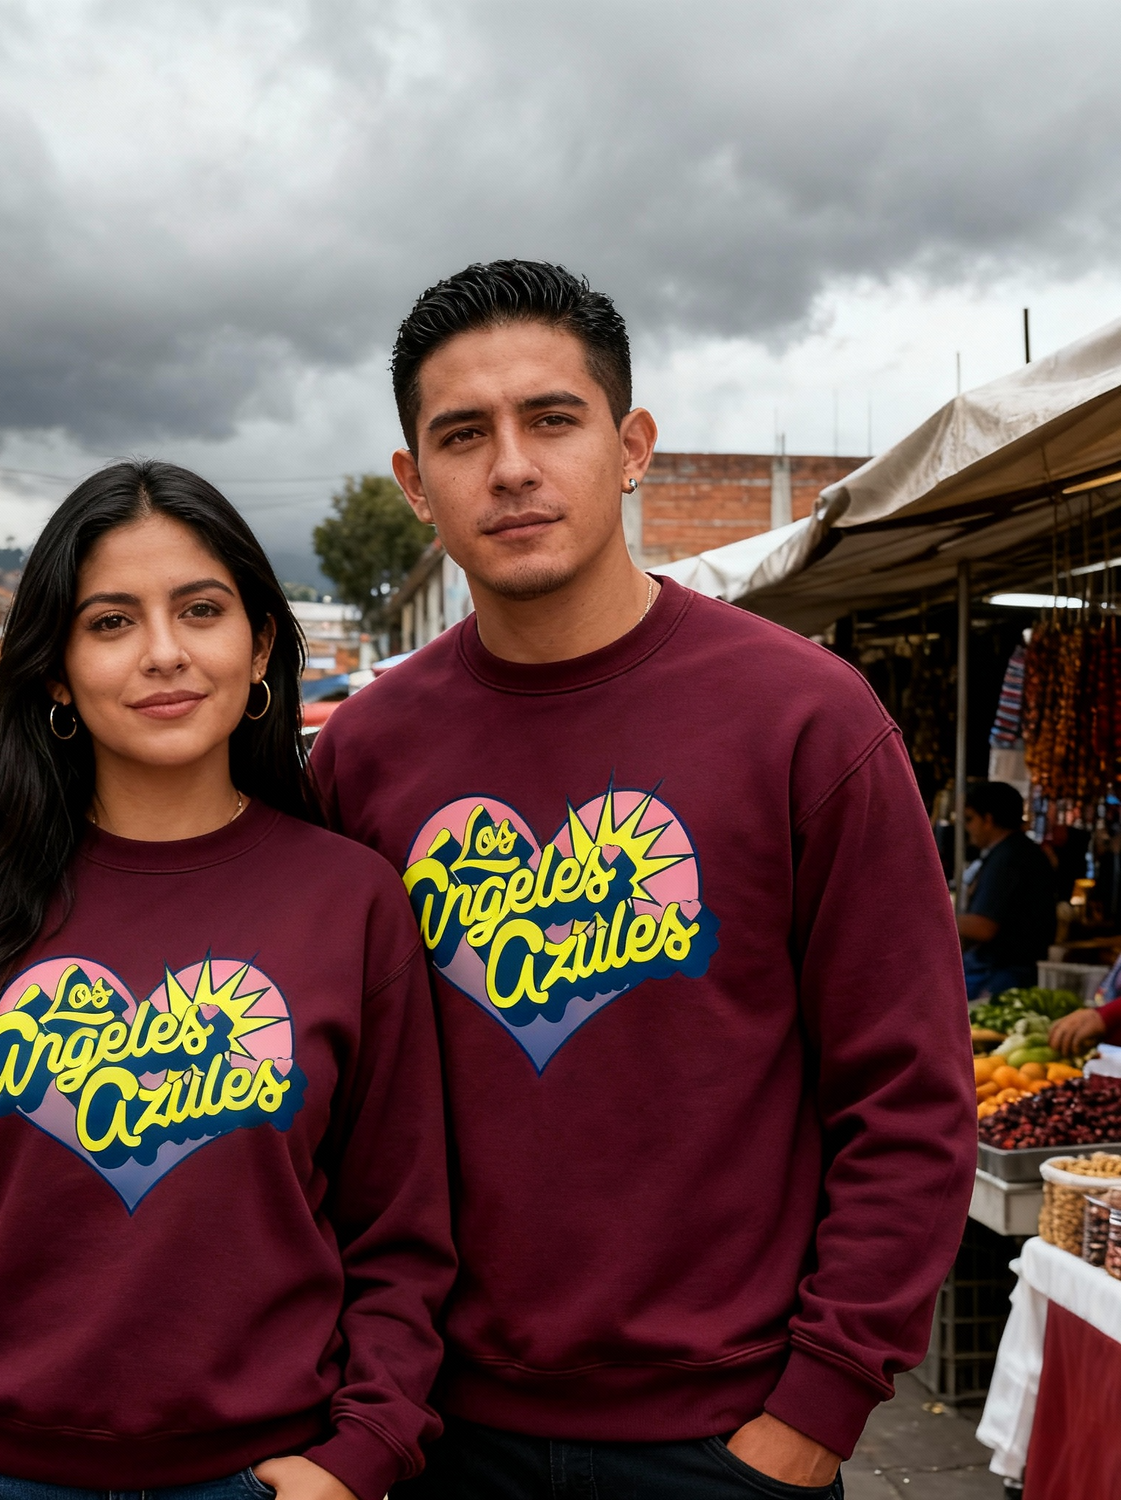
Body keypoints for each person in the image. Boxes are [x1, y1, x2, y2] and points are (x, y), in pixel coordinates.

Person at [310, 261, 976, 1499]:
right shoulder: (363, 756)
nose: (510, 467)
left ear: (632, 448)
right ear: (415, 485)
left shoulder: (807, 722)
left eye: (552, 420)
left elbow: (910, 1092)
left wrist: (817, 1408)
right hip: (437, 1434)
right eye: (464, 435)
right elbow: (325, 1100)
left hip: (728, 1444)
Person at [0, 461, 454, 1500]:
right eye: (110, 623)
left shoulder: (353, 901)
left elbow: (399, 1229)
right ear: (56, 670)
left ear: (261, 642)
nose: (163, 654)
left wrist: (364, 1451)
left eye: (201, 610)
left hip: (262, 1479)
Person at [957, 780, 1057, 1000]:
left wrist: (933, 918)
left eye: (970, 819)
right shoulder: (1019, 851)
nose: (967, 827)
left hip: (1003, 974)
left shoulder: (1007, 858)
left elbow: (984, 927)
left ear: (988, 819)